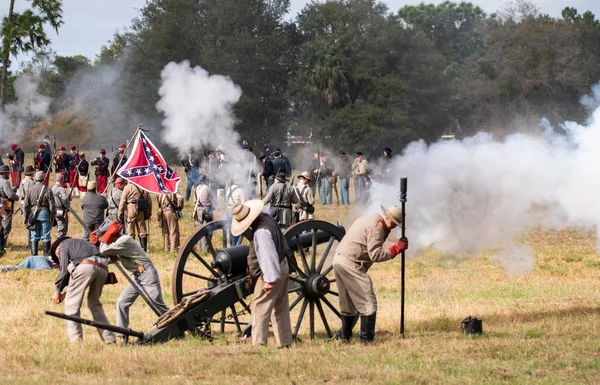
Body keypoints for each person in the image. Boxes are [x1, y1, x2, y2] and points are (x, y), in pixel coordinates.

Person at [332, 205, 408, 343]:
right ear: (390, 221)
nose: (394, 228)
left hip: (339, 260)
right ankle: (366, 341)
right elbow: (375, 254)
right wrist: (395, 249)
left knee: (347, 303)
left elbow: (368, 240)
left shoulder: (368, 219)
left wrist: (392, 242)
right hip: (351, 264)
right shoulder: (377, 228)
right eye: (395, 225)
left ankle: (345, 337)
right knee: (368, 304)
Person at [230, 200, 292, 348]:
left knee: (259, 305)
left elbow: (267, 255)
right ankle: (284, 343)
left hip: (272, 270)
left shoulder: (261, 232)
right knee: (280, 305)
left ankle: (258, 344)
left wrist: (269, 280)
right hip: (282, 265)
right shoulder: (266, 217)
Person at [96, 220, 169, 341]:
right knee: (122, 302)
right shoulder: (118, 243)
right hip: (137, 275)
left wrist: (104, 240)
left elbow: (104, 251)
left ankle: (176, 323)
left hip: (146, 274)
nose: (102, 237)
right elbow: (107, 258)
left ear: (111, 233)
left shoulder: (124, 241)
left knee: (157, 305)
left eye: (104, 234)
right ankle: (122, 334)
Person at [50, 236, 116, 344]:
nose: (59, 257)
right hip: (103, 266)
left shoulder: (62, 246)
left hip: (85, 265)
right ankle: (109, 338)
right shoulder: (81, 244)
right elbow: (76, 283)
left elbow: (64, 271)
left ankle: (75, 341)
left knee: (71, 305)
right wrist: (66, 293)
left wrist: (57, 290)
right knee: (94, 303)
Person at [24, 171, 55, 256]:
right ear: (43, 179)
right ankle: (46, 257)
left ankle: (34, 256)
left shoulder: (30, 190)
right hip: (45, 213)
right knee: (46, 235)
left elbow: (26, 205)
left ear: (35, 179)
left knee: (34, 235)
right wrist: (52, 216)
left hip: (33, 214)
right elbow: (52, 206)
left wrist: (25, 218)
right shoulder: (48, 190)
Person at [118, 181, 152, 251]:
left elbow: (122, 201)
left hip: (130, 208)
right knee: (142, 229)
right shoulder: (143, 187)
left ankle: (131, 249)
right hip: (141, 209)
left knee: (130, 230)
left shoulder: (127, 187)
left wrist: (120, 213)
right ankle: (143, 248)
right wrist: (149, 212)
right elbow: (149, 201)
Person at [193, 175, 215, 252]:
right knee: (207, 230)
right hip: (207, 211)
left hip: (199, 211)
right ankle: (206, 249)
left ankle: (200, 248)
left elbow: (194, 201)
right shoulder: (208, 189)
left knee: (200, 230)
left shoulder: (196, 189)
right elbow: (215, 201)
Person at [0, 165, 18, 255]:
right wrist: (17, 197)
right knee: (6, 225)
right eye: (8, 173)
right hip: (5, 204)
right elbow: (10, 195)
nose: (9, 175)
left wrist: (13, 189)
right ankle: (3, 244)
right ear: (5, 173)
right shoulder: (5, 182)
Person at [225, 175, 246, 246]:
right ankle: (234, 247)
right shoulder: (241, 190)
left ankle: (231, 246)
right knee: (236, 231)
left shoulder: (229, 189)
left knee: (230, 230)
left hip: (228, 211)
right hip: (236, 212)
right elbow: (244, 203)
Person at [19, 166, 35, 250]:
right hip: (28, 204)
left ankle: (30, 243)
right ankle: (30, 244)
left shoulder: (22, 181)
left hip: (23, 204)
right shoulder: (30, 182)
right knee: (30, 225)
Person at [51, 174, 69, 238]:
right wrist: (67, 205)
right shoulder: (61, 189)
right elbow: (64, 200)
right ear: (62, 180)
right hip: (60, 210)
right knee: (62, 229)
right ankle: (59, 244)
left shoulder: (52, 188)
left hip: (53, 209)